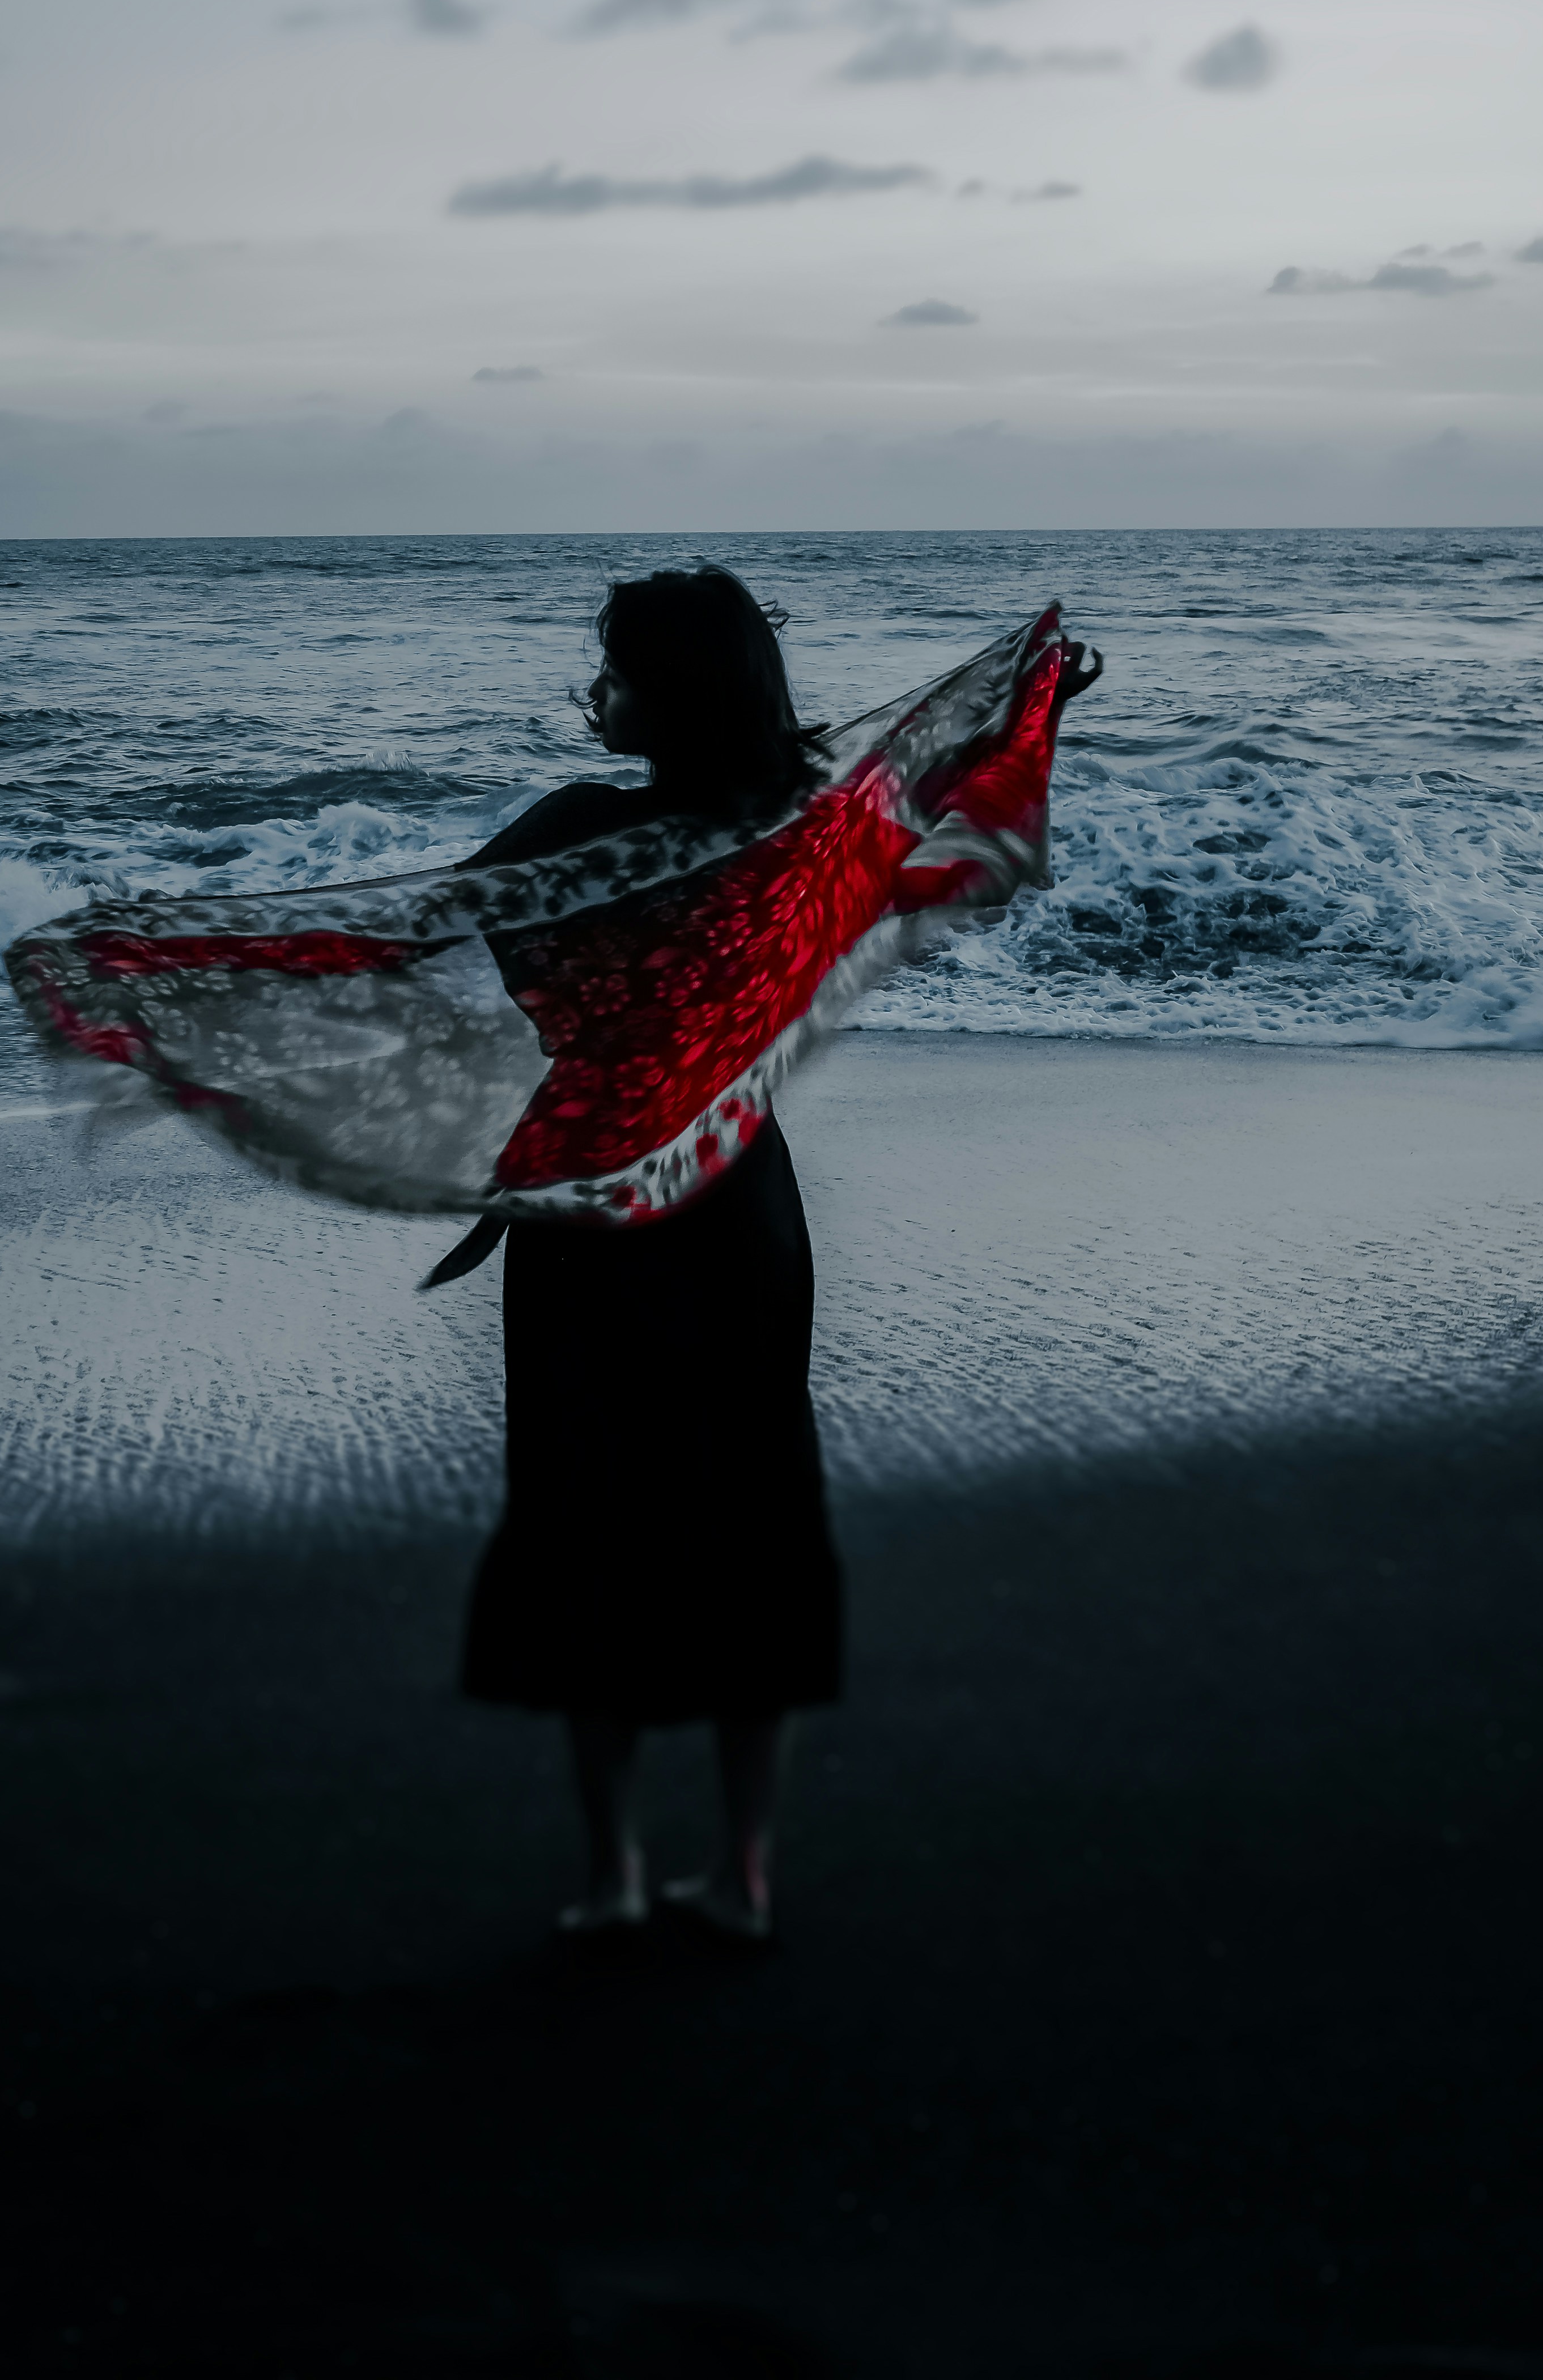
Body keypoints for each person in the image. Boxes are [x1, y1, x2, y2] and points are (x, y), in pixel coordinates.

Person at [456, 565, 1097, 1943]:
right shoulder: (795, 834)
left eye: (616, 671)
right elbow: (941, 810)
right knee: (749, 1510)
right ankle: (742, 1868)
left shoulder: (576, 829)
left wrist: (199, 957)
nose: (598, 693)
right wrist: (1038, 704)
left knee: (589, 1519)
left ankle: (617, 1871)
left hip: (594, 1200)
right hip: (738, 1197)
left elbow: (429, 919)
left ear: (665, 690)